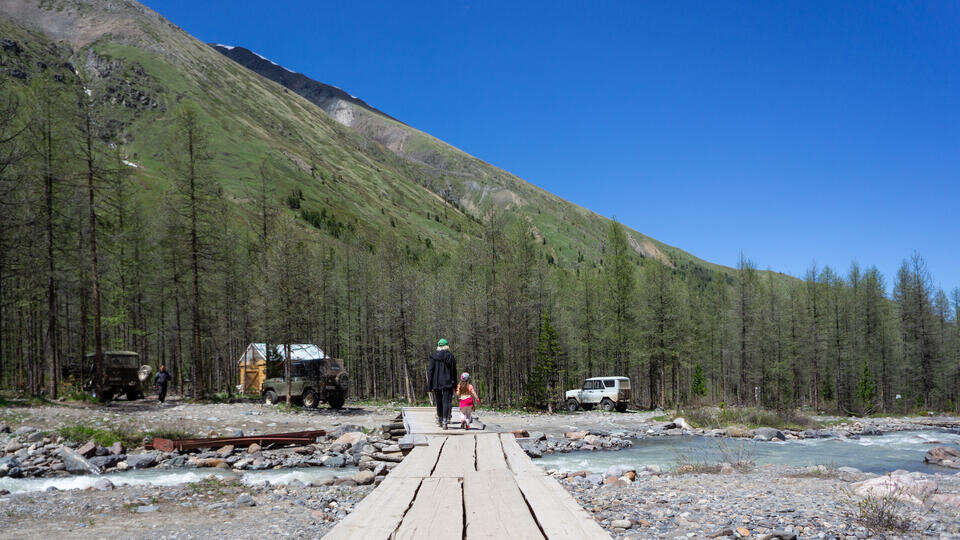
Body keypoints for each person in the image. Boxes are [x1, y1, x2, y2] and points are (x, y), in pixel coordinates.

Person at [427, 338, 456, 429]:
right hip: (448, 382)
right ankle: (445, 421)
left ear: (438, 346)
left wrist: (429, 385)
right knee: (446, 401)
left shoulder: (434, 356)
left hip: (436, 382)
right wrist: (454, 384)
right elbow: (453, 371)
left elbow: (430, 371)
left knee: (438, 401)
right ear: (447, 346)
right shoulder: (450, 356)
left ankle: (439, 418)